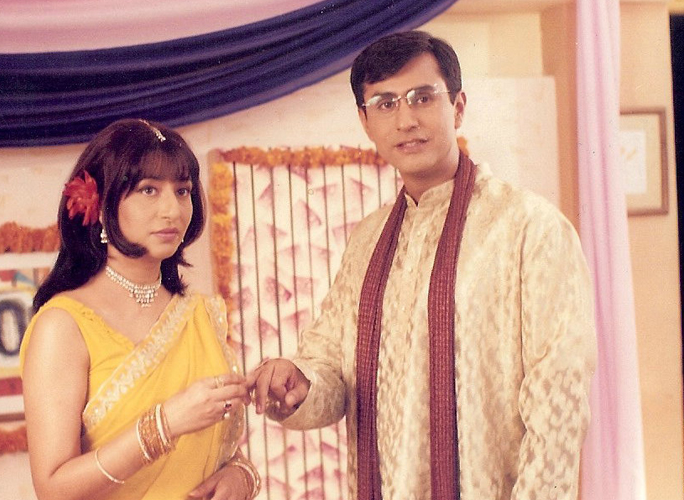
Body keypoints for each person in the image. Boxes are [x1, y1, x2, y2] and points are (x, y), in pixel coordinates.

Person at [246, 31, 596, 500]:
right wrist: (300, 385)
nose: (405, 119)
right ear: (365, 121)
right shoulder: (368, 241)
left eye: (422, 98)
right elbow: (332, 367)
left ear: (457, 107)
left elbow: (559, 404)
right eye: (385, 103)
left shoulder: (529, 228)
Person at [20, 118, 261, 500]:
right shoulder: (63, 325)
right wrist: (163, 425)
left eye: (182, 191)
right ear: (101, 206)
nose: (172, 210)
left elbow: (213, 448)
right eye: (149, 189)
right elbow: (53, 487)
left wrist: (240, 475)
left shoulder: (200, 314)